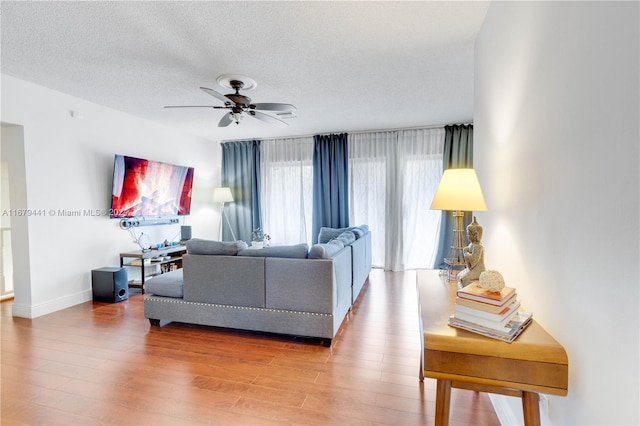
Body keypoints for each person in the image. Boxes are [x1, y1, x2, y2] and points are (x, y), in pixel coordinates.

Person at [457, 216, 486, 286]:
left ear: (475, 235)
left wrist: (465, 253)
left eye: (469, 234)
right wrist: (466, 250)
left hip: (478, 270)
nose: (468, 236)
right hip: (472, 269)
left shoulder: (478, 246)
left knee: (463, 280)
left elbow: (474, 260)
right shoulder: (472, 244)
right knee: (459, 276)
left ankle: (477, 286)